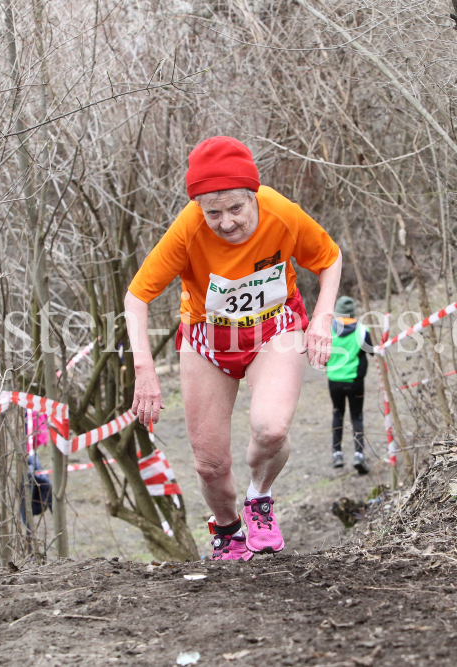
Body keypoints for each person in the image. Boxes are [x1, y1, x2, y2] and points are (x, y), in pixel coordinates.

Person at [125, 136, 342, 561]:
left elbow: (329, 259)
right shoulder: (187, 230)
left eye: (236, 209)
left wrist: (322, 317)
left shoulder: (282, 214)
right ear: (199, 209)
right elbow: (137, 297)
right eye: (213, 213)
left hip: (274, 331)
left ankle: (259, 497)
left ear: (252, 195)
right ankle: (227, 530)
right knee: (210, 463)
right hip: (208, 342)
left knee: (272, 428)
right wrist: (144, 370)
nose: (225, 223)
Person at [326, 296, 372, 475]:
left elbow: (323, 354)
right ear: (353, 312)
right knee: (357, 417)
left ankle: (337, 454)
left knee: (337, 414)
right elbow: (373, 352)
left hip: (334, 381)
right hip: (355, 382)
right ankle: (359, 455)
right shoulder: (362, 330)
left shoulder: (329, 330)